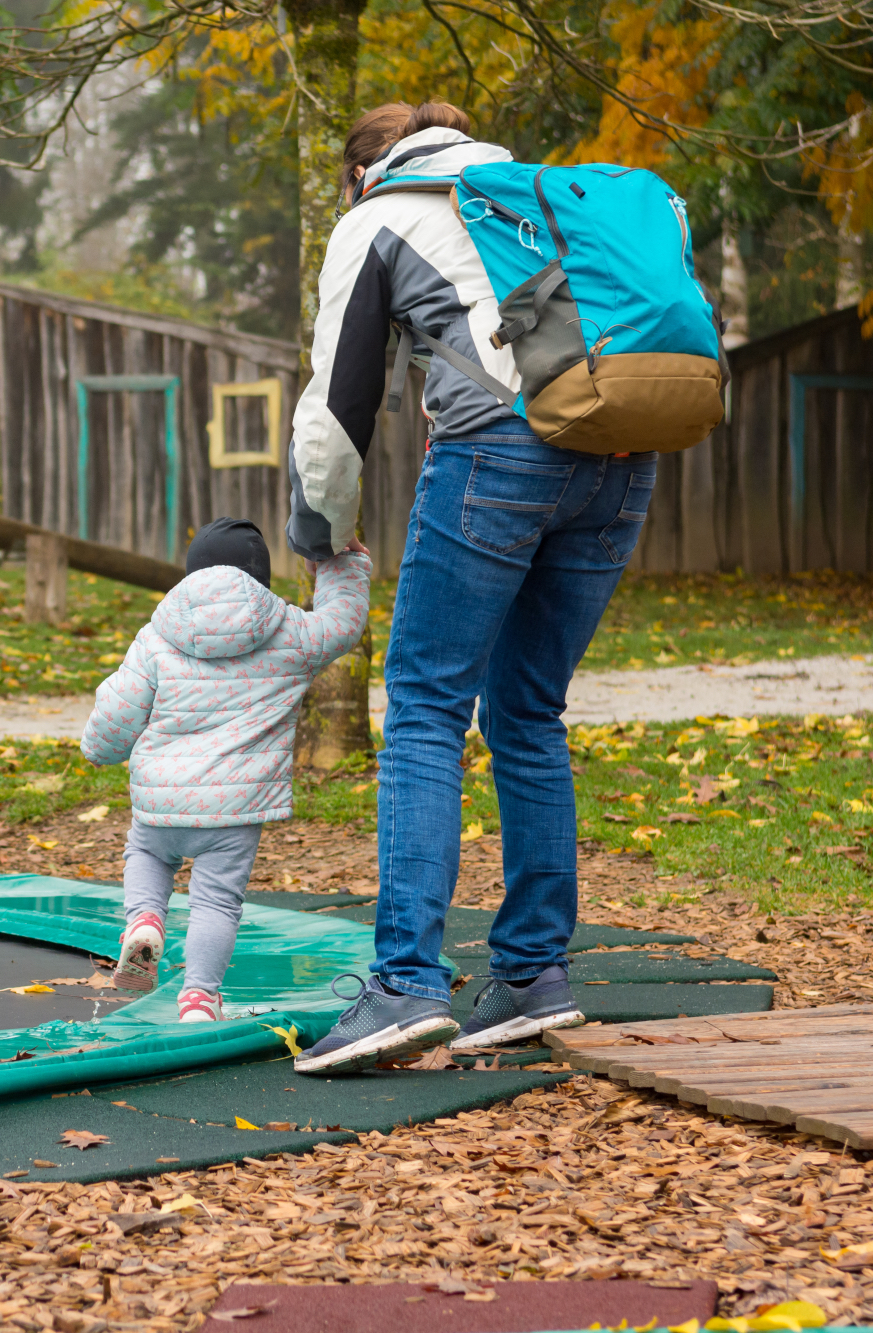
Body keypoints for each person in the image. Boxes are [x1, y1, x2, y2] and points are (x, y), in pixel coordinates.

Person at [288, 102, 660, 1074]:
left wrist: (318, 534)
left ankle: (404, 985)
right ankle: (532, 976)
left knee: (421, 707)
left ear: (356, 174)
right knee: (528, 712)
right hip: (622, 458)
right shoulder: (531, 199)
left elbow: (336, 405)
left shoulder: (374, 219)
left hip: (496, 461)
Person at [81, 516, 371, 1022]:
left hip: (162, 798)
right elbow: (343, 622)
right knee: (217, 902)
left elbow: (116, 713)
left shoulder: (158, 635)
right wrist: (341, 560)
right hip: (235, 809)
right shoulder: (291, 633)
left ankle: (145, 920)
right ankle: (198, 997)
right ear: (261, 579)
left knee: (146, 853)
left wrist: (98, 749)